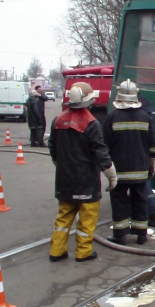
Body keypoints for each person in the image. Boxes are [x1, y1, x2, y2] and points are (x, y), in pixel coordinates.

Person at [48, 82, 117, 263]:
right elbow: (100, 152)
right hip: (86, 180)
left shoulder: (58, 120)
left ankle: (57, 251)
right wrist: (111, 175)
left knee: (63, 217)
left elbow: (53, 148)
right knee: (87, 218)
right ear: (89, 100)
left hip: (64, 179)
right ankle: (83, 252)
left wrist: (60, 164)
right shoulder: (92, 123)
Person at [103, 80, 155, 246]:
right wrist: (152, 164)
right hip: (140, 170)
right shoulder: (145, 117)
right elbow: (154, 145)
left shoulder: (112, 118)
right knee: (140, 200)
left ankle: (120, 235)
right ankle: (141, 234)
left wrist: (106, 168)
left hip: (118, 171)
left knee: (119, 201)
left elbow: (103, 146)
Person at [139, 96, 155, 227]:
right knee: (145, 184)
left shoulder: (141, 116)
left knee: (144, 187)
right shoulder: (153, 114)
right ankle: (152, 215)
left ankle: (152, 215)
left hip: (139, 156)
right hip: (149, 155)